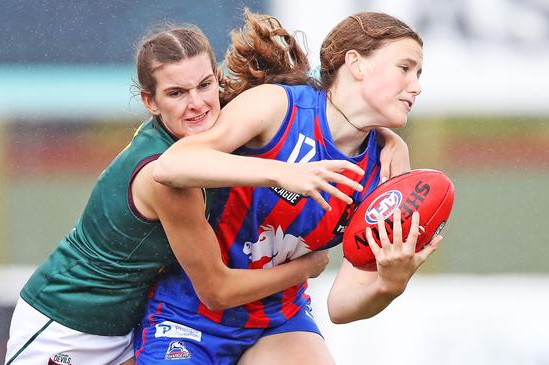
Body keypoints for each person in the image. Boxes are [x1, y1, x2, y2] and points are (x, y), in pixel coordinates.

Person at [3, 25, 339, 365]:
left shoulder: (214, 125)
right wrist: (306, 268)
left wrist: (384, 142)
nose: (197, 104)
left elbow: (309, 106)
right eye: (177, 93)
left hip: (128, 325)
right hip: (69, 323)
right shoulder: (166, 176)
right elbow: (217, 291)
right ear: (151, 102)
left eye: (205, 85)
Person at [134, 10, 442, 365]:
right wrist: (281, 172)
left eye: (418, 73)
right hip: (189, 317)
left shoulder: (386, 166)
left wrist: (389, 283)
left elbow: (341, 306)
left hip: (277, 320)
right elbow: (172, 165)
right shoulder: (279, 106)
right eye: (405, 68)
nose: (416, 85)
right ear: (356, 64)